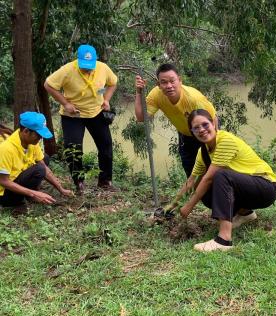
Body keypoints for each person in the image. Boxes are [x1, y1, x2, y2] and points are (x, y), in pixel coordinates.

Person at [166, 109, 276, 252]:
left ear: (214, 123)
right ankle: (246, 213)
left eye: (205, 124)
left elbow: (208, 178)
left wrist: (188, 206)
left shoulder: (225, 140)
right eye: (196, 128)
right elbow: (191, 181)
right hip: (248, 189)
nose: (202, 130)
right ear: (192, 132)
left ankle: (224, 240)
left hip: (266, 187)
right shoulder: (203, 152)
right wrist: (172, 205)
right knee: (206, 193)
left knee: (220, 176)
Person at [44, 44, 118, 193]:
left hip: (96, 112)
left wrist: (106, 100)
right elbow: (48, 85)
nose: (88, 69)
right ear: (78, 61)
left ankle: (105, 181)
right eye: (84, 66)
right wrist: (65, 103)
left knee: (106, 146)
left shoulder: (102, 68)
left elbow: (113, 83)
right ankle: (79, 183)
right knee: (73, 149)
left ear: (95, 60)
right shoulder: (67, 70)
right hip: (73, 115)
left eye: (90, 66)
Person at [134, 63, 218, 176]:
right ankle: (195, 192)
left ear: (180, 80)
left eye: (172, 81)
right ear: (158, 84)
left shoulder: (194, 98)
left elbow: (213, 120)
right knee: (191, 171)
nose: (169, 86)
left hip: (206, 131)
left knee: (212, 170)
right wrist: (139, 92)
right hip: (186, 135)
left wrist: (214, 146)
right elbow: (141, 117)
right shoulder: (156, 95)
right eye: (164, 82)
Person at [0, 112, 73, 207]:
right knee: (39, 169)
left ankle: (29, 194)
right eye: (38, 135)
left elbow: (43, 166)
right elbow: (3, 181)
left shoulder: (31, 142)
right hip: (4, 194)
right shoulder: (6, 149)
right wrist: (34, 193)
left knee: (44, 159)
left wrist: (61, 189)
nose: (40, 138)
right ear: (26, 131)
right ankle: (25, 197)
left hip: (18, 179)